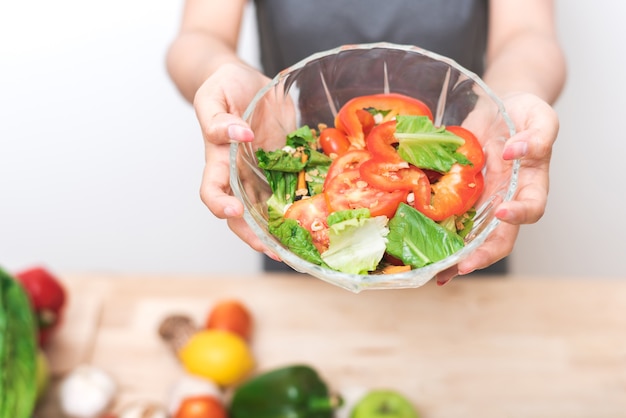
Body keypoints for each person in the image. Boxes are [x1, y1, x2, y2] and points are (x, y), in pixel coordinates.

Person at [166, 0, 566, 285]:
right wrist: (222, 73)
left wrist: (510, 103)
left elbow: (528, 34)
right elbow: (198, 37)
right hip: (306, 245)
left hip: (466, 238)